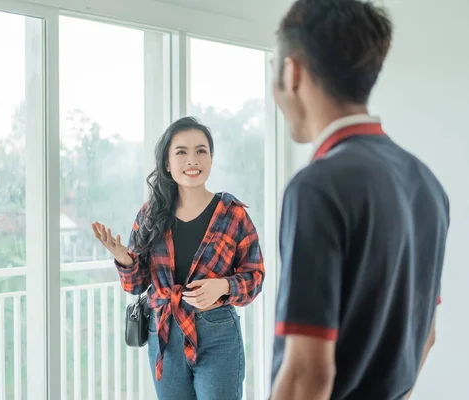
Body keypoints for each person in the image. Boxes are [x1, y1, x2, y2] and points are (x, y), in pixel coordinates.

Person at [269, 1, 449, 399]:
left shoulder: (316, 187)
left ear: (292, 72)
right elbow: (426, 335)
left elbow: (307, 374)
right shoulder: (426, 183)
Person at [92, 116, 265, 400]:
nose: (192, 160)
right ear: (167, 163)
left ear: (211, 158)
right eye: (181, 152)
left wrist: (223, 287)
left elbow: (255, 277)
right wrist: (125, 260)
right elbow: (136, 286)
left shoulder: (233, 214)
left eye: (201, 151)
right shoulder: (150, 215)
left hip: (218, 333)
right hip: (164, 332)